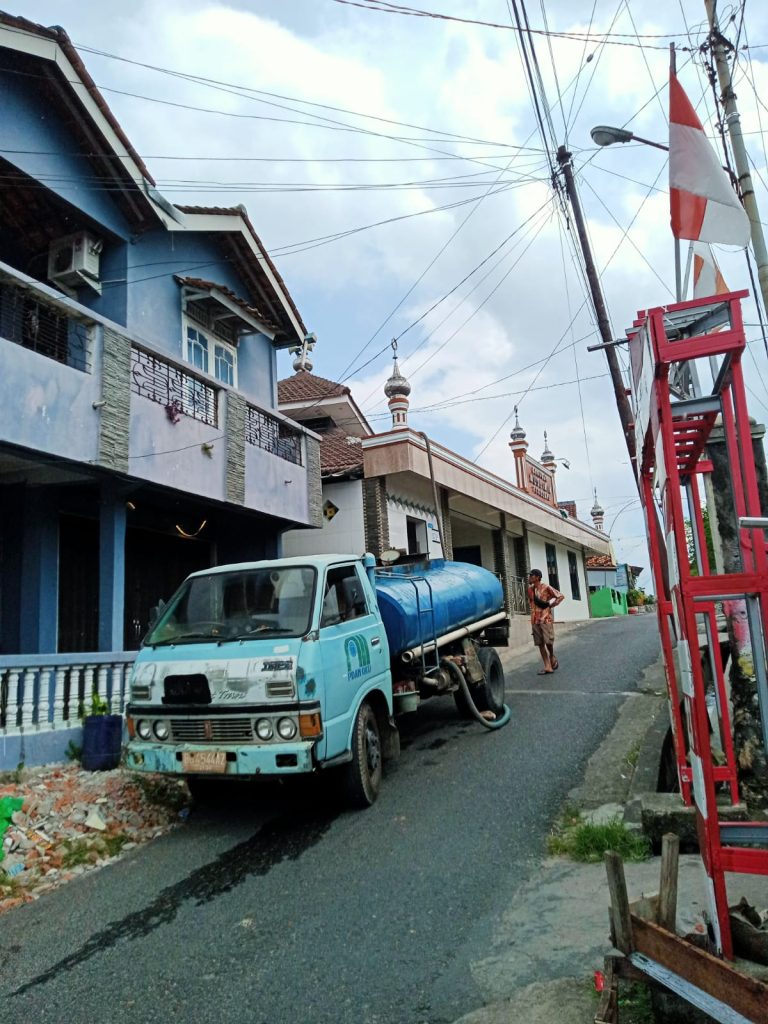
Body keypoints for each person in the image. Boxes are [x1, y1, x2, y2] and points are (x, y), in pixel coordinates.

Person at [527, 569, 564, 675]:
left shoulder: (546, 587)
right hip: (535, 619)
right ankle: (547, 666)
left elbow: (560, 596)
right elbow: (532, 602)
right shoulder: (530, 590)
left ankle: (552, 656)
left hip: (546, 618)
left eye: (531, 575)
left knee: (548, 642)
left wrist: (551, 605)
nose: (529, 577)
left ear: (537, 577)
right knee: (540, 644)